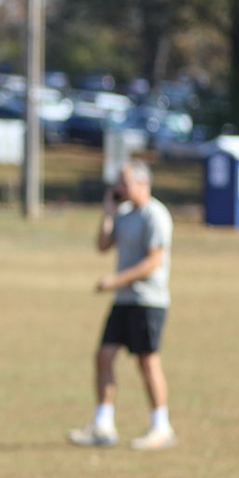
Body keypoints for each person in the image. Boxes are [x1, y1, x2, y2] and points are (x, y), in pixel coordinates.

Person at [68, 157, 176, 451]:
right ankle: (103, 425)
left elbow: (154, 261)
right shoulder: (125, 214)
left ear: (142, 184)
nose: (119, 188)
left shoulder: (156, 216)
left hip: (148, 301)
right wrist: (108, 211)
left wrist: (117, 280)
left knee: (147, 361)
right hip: (123, 300)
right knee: (104, 356)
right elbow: (103, 245)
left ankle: (161, 426)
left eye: (124, 183)